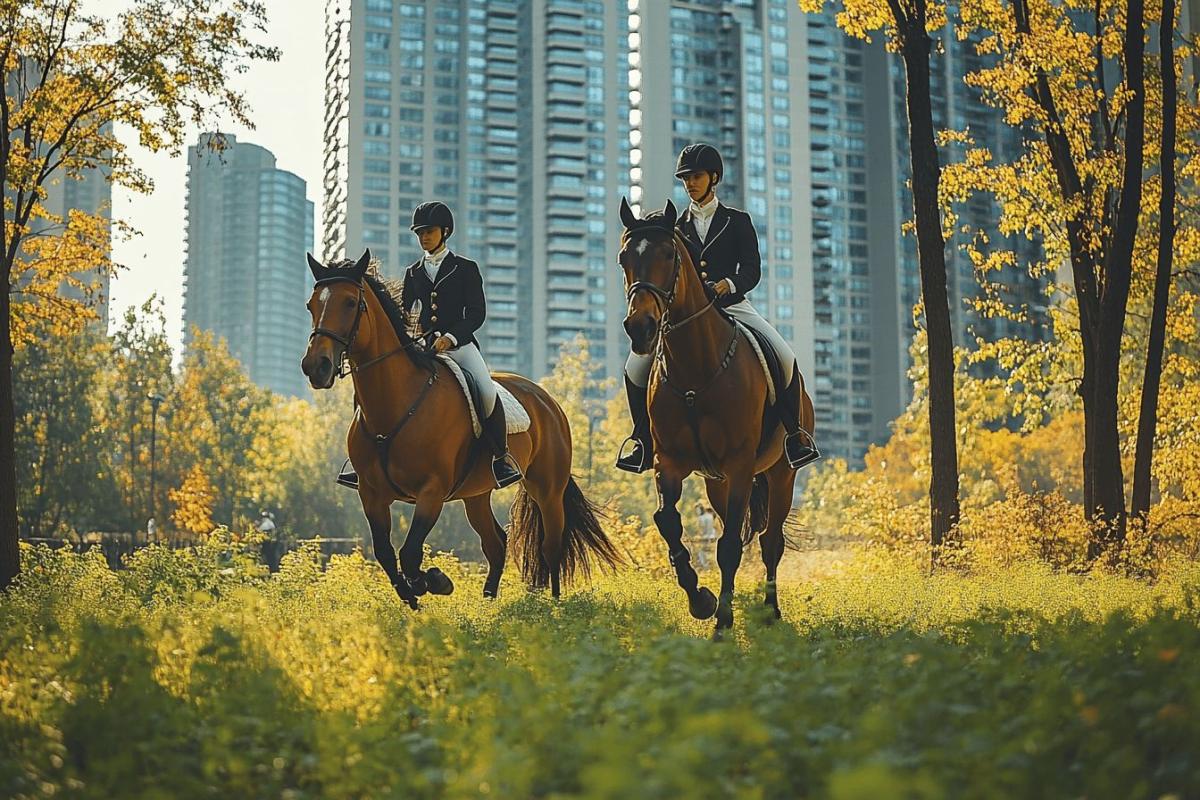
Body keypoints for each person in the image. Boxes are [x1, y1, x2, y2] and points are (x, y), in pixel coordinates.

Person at [616, 142, 820, 473]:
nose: (690, 184)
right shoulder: (675, 228)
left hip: (733, 306)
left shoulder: (737, 221)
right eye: (685, 179)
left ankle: (794, 436)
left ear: (714, 178)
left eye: (696, 177)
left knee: (784, 357)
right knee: (634, 367)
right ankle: (642, 440)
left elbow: (752, 269)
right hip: (686, 316)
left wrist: (730, 284)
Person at [336, 201, 522, 490]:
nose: (424, 237)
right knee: (369, 391)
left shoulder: (465, 268)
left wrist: (451, 337)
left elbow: (476, 314)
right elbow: (405, 313)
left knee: (486, 390)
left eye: (429, 231)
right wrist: (413, 338)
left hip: (460, 346)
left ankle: (501, 458)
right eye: (420, 233)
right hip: (424, 346)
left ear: (445, 232)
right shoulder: (413, 272)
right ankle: (361, 460)